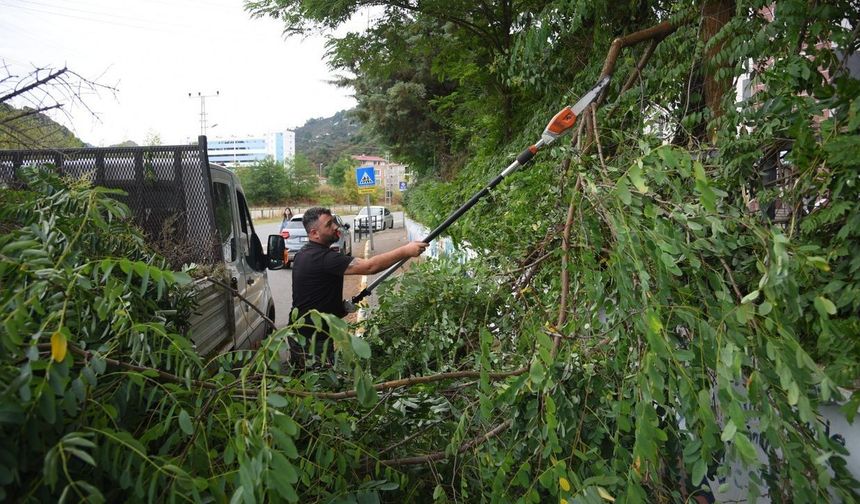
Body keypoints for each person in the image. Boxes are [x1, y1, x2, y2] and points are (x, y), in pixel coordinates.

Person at [290, 206, 427, 365]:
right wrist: (406, 250)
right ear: (314, 233)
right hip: (312, 338)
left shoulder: (304, 253)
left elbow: (311, 293)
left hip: (302, 331)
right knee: (318, 382)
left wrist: (337, 307)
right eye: (328, 225)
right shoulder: (322, 258)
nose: (335, 226)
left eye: (334, 221)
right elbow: (370, 267)